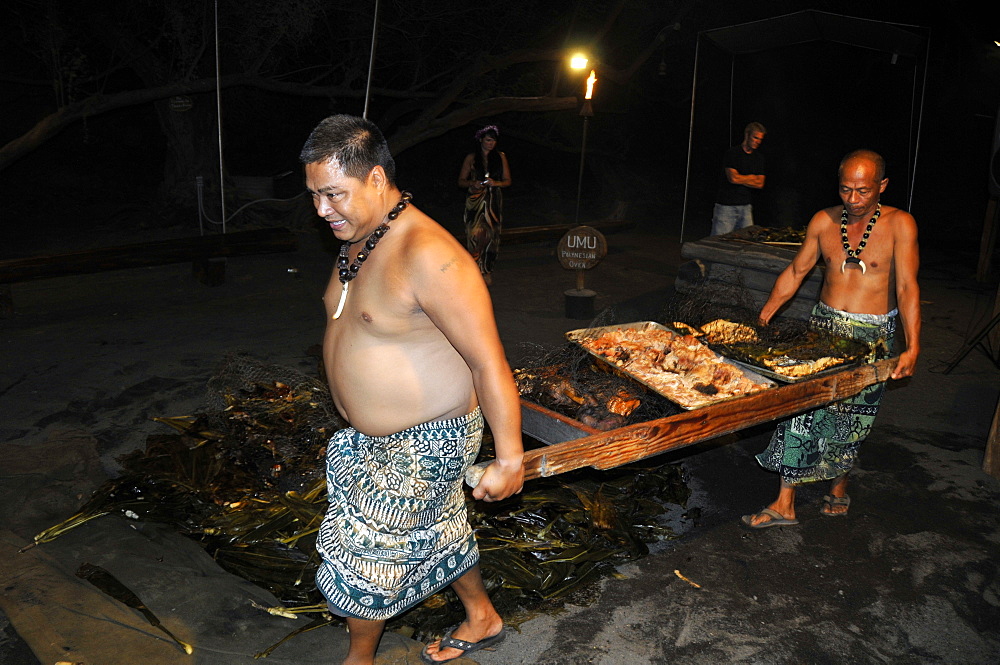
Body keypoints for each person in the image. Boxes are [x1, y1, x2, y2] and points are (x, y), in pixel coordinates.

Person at [299, 114, 524, 665]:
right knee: (437, 528)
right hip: (373, 436)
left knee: (368, 552)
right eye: (313, 195)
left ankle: (360, 659)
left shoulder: (431, 254)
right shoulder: (357, 239)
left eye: (333, 194)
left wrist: (511, 457)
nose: (321, 210)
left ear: (376, 179)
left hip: (429, 439)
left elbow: (489, 361)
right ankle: (482, 616)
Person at [742, 149, 920, 529]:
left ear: (882, 186)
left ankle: (839, 484)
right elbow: (796, 271)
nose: (853, 200)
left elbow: (906, 287)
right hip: (822, 330)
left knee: (850, 421)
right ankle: (785, 502)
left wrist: (913, 346)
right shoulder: (823, 221)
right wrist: (764, 315)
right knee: (801, 412)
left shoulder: (900, 225)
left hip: (873, 336)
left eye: (863, 191)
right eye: (845, 190)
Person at [457, 125, 512, 285]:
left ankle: (487, 270)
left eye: (493, 141)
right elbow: (460, 181)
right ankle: (474, 269)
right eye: (488, 140)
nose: (491, 144)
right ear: (481, 139)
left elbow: (508, 181)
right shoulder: (471, 158)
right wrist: (472, 183)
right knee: (474, 235)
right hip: (475, 201)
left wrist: (496, 183)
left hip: (493, 200)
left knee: (491, 236)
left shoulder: (500, 157)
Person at [711, 121, 767, 236]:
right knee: (719, 241)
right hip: (726, 207)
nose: (758, 142)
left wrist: (742, 178)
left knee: (747, 241)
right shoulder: (733, 153)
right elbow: (733, 178)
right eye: (755, 138)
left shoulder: (758, 158)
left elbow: (760, 183)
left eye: (760, 139)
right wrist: (751, 178)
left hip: (746, 207)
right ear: (747, 135)